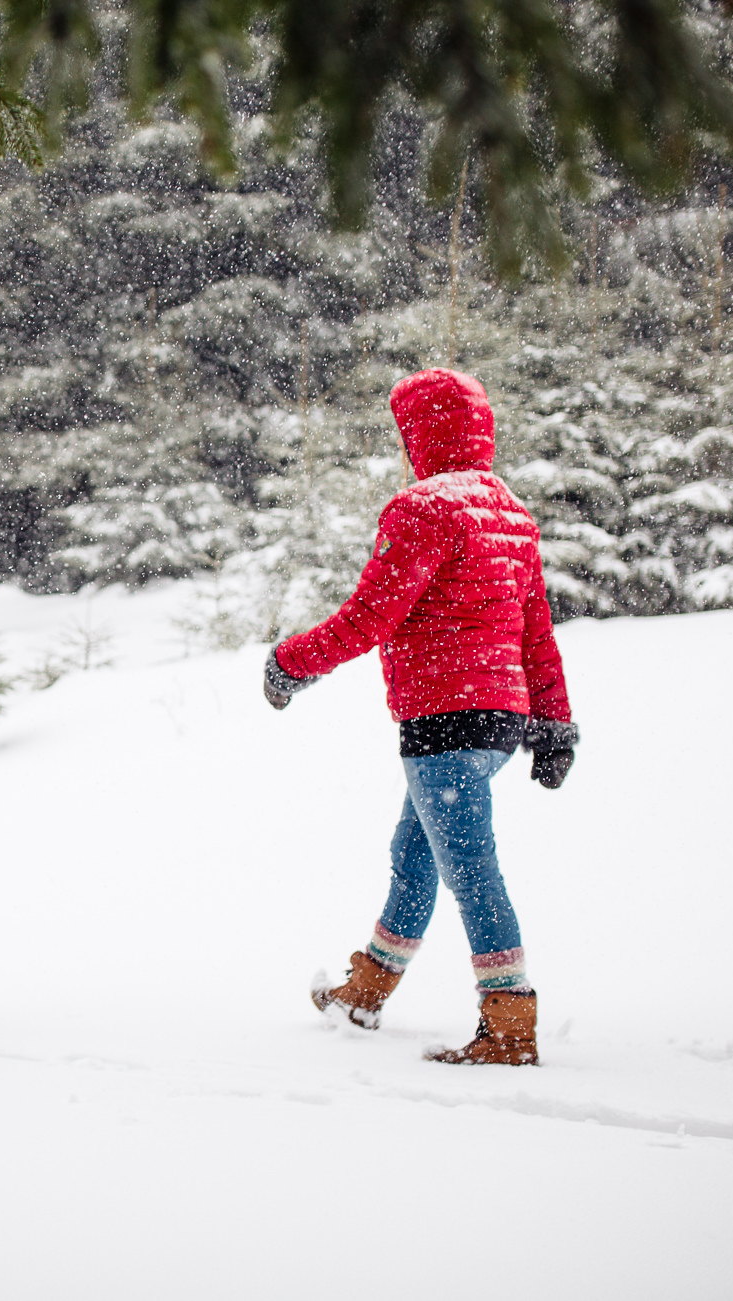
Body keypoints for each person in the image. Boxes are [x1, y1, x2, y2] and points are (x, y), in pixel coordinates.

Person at [262, 368, 578, 1066]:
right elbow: (537, 633)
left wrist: (293, 663)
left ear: (419, 434)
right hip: (500, 720)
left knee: (469, 865)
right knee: (416, 854)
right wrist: (554, 724)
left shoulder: (422, 509)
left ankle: (509, 1021)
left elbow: (371, 615)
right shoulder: (508, 513)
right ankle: (366, 990)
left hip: (443, 719)